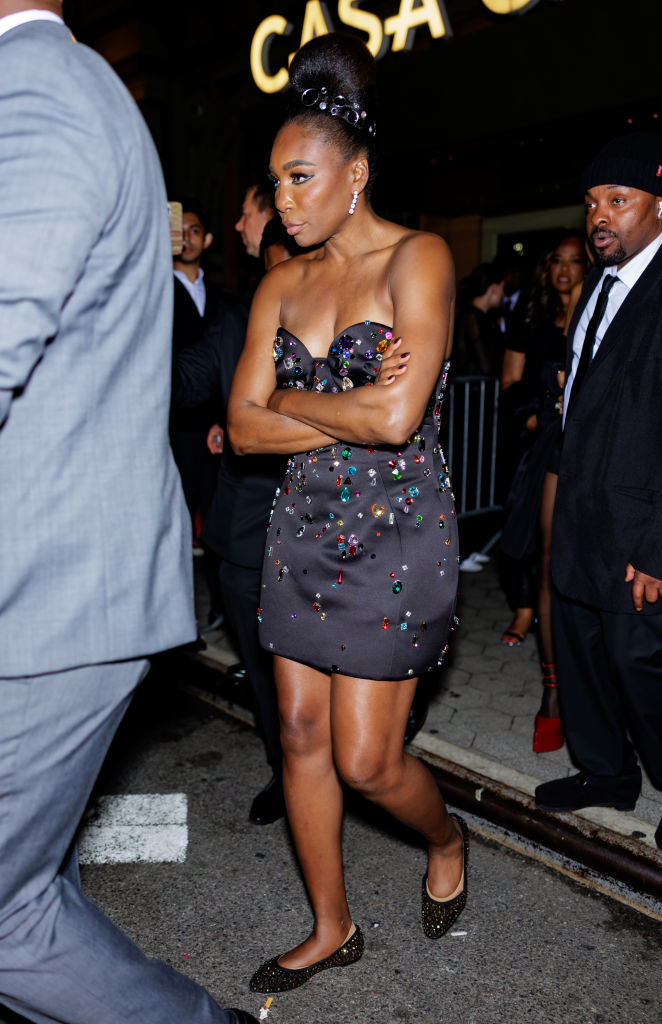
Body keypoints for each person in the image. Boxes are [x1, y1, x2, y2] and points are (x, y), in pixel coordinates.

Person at [0, 5, 256, 1022]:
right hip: (54, 579)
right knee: (29, 894)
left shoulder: (38, 89)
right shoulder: (60, 88)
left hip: (53, 589)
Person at [228, 33, 466, 994]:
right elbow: (240, 433)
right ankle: (331, 925)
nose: (282, 199)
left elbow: (399, 417)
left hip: (396, 537)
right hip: (300, 533)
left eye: (299, 178)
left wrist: (287, 402)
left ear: (353, 174)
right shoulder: (280, 283)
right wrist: (340, 413)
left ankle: (446, 839)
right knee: (295, 736)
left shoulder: (421, 256)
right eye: (274, 182)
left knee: (368, 762)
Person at [535, 132, 662, 856]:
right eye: (592, 202)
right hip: (584, 512)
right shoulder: (600, 282)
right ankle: (603, 772)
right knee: (584, 650)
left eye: (617, 202)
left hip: (643, 528)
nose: (599, 216)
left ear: (661, 203)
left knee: (643, 664)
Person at [173, 183, 295, 827]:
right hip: (244, 530)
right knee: (262, 667)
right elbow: (189, 377)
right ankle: (288, 771)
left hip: (332, 527)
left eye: (247, 211)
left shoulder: (344, 300)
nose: (238, 223)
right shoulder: (232, 316)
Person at [499, 232, 587, 750]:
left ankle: (587, 683)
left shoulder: (602, 311)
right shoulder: (529, 319)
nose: (564, 269)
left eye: (576, 261)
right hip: (540, 446)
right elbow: (508, 381)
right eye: (557, 260)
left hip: (594, 453)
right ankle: (552, 687)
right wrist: (531, 416)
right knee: (541, 550)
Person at [170, 199, 224, 632]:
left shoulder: (223, 296)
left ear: (206, 239)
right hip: (171, 428)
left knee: (218, 520)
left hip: (214, 429)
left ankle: (222, 610)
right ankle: (176, 622)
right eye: (180, 230)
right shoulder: (155, 290)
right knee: (173, 527)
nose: (187, 236)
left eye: (195, 229)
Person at [452, 262, 505, 376]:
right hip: (471, 389)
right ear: (493, 288)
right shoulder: (472, 317)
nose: (504, 294)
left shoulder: (480, 317)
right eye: (503, 288)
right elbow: (486, 366)